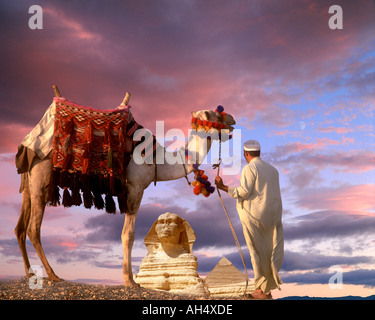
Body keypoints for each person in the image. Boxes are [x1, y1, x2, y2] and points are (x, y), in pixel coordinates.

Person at [215, 140, 284, 299]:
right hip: (273, 216)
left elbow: (244, 192)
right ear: (259, 152)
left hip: (255, 216)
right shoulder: (273, 170)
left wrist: (223, 187)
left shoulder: (249, 168)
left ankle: (260, 291)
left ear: (246, 154)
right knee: (269, 252)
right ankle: (267, 290)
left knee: (256, 252)